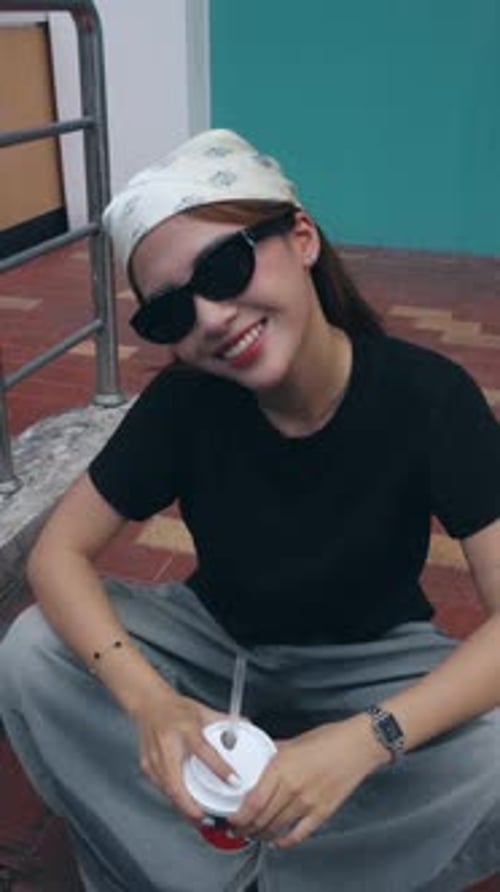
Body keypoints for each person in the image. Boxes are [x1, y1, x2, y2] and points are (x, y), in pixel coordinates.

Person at [1, 128, 499, 892]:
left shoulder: (429, 398)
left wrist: (373, 738)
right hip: (217, 640)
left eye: (225, 267)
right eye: (168, 314)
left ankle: (305, 876)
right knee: (33, 650)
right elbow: (55, 555)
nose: (209, 317)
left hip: (373, 656)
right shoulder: (186, 402)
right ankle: (210, 875)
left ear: (301, 237)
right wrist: (151, 705)